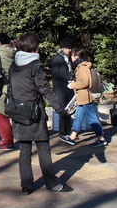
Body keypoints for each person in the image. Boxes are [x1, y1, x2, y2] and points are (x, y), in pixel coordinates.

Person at [11, 33, 73, 194]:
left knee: (24, 149)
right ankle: (52, 183)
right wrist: (61, 110)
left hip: (19, 112)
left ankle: (26, 186)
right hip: (34, 113)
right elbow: (45, 89)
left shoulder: (14, 65)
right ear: (33, 48)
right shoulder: (35, 65)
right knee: (43, 147)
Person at [59, 48, 107, 147]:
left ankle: (101, 138)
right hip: (82, 97)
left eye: (72, 56)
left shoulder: (81, 67)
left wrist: (73, 85)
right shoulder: (83, 66)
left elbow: (85, 82)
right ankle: (72, 137)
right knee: (78, 117)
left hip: (85, 97)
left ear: (76, 56)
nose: (71, 58)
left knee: (92, 119)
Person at [50, 38, 74, 139]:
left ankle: (68, 131)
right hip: (61, 88)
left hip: (67, 88)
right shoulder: (57, 59)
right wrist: (69, 78)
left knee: (68, 110)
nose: (69, 50)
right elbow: (56, 74)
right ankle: (63, 132)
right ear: (63, 48)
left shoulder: (66, 58)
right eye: (68, 48)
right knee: (63, 111)